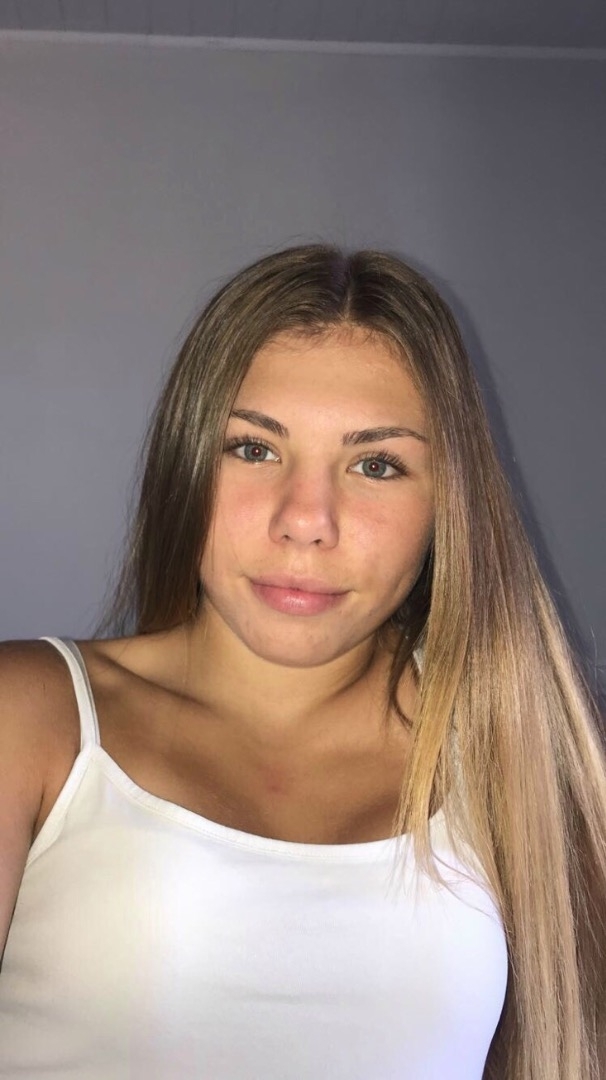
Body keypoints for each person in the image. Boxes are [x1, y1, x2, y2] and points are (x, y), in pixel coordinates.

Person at [0, 244, 605, 1079]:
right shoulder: (30, 721)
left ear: (449, 507)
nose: (306, 520)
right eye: (254, 449)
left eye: (376, 465)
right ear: (186, 463)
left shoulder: (522, 762)